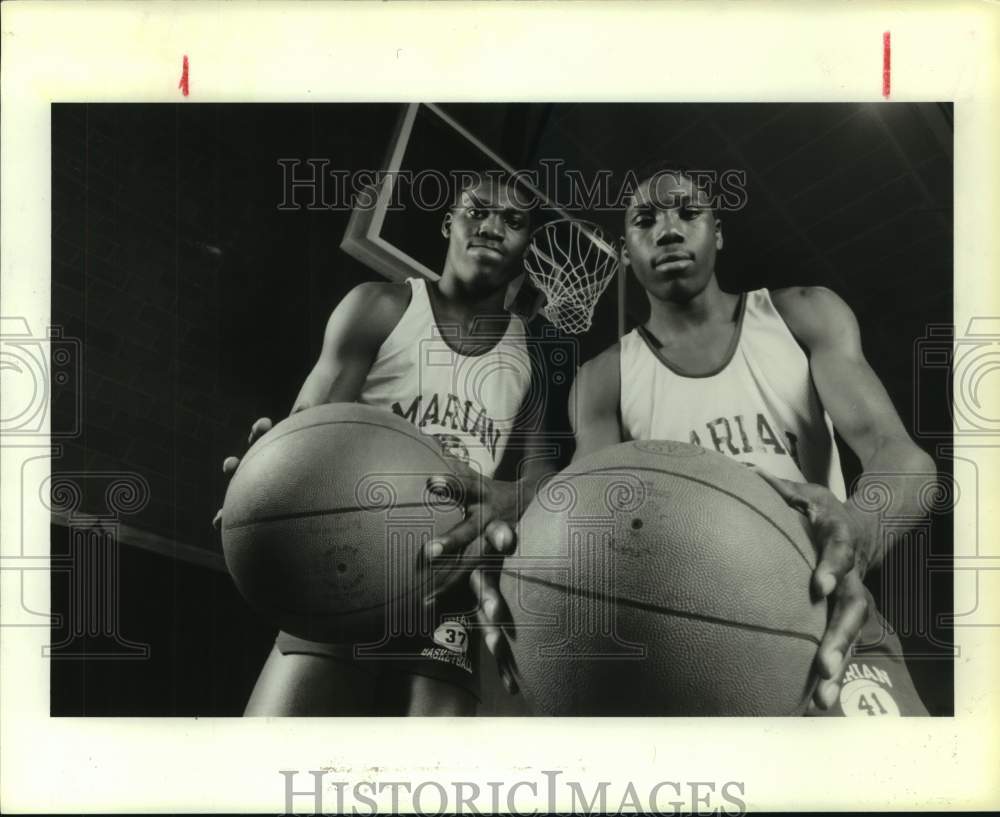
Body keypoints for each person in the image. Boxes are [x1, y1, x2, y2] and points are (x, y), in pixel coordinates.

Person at [450, 162, 938, 715]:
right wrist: (528, 546)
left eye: (688, 212)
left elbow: (901, 456)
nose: (669, 230)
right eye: (645, 220)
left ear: (718, 232)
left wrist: (863, 524)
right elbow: (586, 511)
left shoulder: (802, 314)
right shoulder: (605, 378)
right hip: (691, 642)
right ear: (625, 250)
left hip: (824, 609)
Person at [214, 173, 557, 715]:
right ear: (449, 223)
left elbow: (545, 482)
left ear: (525, 249)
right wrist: (269, 475)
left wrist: (512, 497)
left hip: (447, 583)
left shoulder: (535, 360)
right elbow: (308, 427)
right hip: (345, 557)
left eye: (514, 222)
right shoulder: (380, 306)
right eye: (477, 211)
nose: (492, 227)